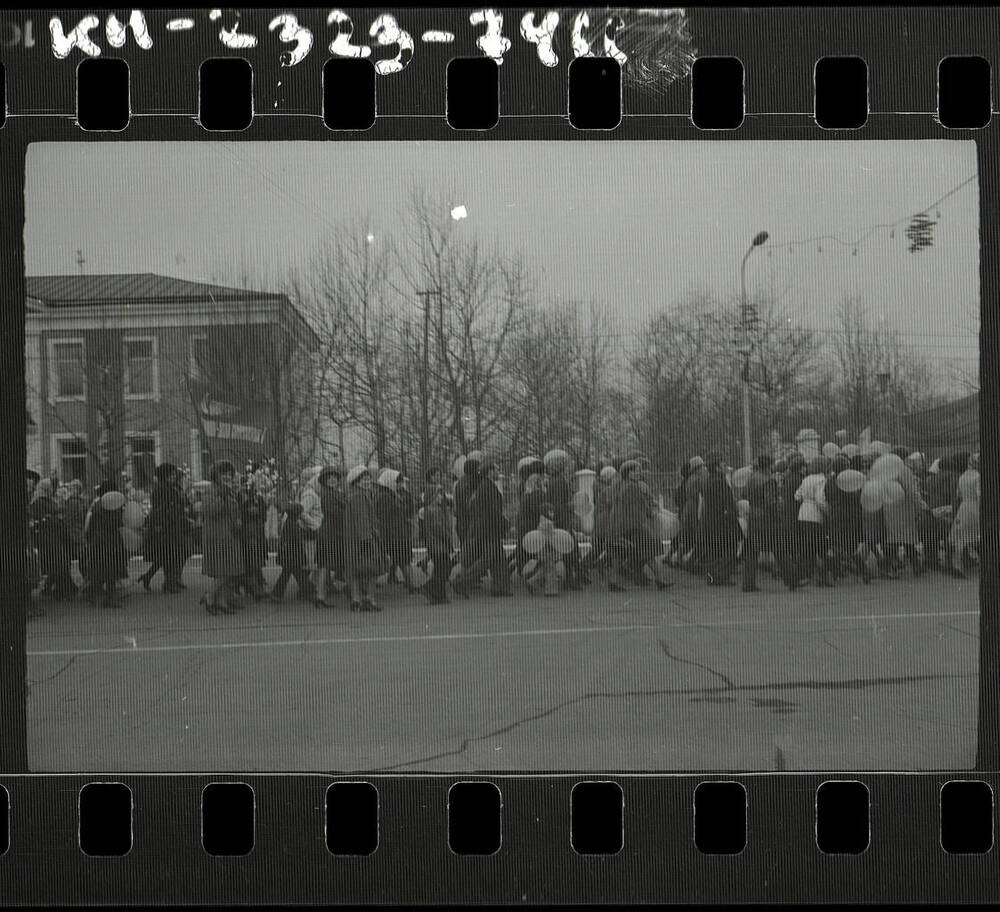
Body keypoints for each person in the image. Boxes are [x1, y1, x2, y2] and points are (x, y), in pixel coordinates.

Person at [453, 459, 512, 598]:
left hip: (486, 529)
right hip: (489, 529)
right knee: (487, 559)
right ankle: (462, 582)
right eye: (497, 469)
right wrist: (505, 524)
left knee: (499, 558)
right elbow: (493, 511)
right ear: (490, 472)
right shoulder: (488, 487)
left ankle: (500, 587)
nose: (499, 471)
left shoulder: (484, 486)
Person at [743, 454, 797, 592]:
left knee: (752, 551)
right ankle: (792, 579)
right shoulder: (769, 480)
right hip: (767, 519)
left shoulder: (752, 478)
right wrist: (777, 517)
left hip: (753, 517)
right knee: (779, 548)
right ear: (769, 465)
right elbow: (770, 502)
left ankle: (748, 582)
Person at [200, 460, 246, 615]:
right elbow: (209, 510)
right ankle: (210, 597)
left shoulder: (230, 490)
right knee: (222, 571)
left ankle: (221, 601)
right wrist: (222, 497)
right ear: (216, 475)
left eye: (229, 473)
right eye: (223, 473)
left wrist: (238, 519)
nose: (227, 476)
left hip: (229, 533)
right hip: (216, 535)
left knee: (230, 569)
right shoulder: (211, 490)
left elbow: (234, 510)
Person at [139, 463, 190, 594]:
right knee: (169, 555)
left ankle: (151, 577)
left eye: (174, 474)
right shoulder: (160, 490)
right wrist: (161, 524)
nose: (174, 476)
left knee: (168, 554)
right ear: (165, 476)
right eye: (171, 474)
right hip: (164, 526)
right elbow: (160, 510)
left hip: (173, 524)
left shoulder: (172, 488)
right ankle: (168, 583)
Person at [543, 449, 586, 589]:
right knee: (570, 550)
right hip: (562, 520)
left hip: (560, 519)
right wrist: (571, 507)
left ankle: (573, 578)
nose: (567, 466)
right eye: (564, 463)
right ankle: (571, 580)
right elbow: (559, 505)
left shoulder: (554, 481)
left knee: (570, 549)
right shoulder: (559, 481)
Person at [882, 449, 929, 577]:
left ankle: (890, 567)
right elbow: (911, 490)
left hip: (888, 508)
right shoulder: (903, 470)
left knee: (894, 537)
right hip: (903, 508)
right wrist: (921, 505)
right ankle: (915, 566)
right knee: (907, 537)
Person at [29, 477, 77, 600]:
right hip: (47, 538)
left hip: (54, 536)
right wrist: (55, 518)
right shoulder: (39, 502)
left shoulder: (48, 501)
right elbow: (42, 519)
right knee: (58, 562)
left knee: (58, 562)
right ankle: (62, 589)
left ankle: (54, 587)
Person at [83, 482, 129, 608]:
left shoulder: (97, 504)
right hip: (110, 540)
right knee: (111, 571)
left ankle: (92, 594)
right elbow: (118, 522)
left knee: (100, 569)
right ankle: (109, 599)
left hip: (97, 540)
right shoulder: (112, 505)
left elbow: (90, 524)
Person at [343, 465, 382, 611]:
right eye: (363, 480)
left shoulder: (354, 495)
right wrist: (366, 541)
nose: (367, 482)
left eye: (368, 479)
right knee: (371, 569)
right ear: (356, 482)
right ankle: (369, 600)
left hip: (353, 540)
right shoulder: (359, 497)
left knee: (356, 570)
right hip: (363, 540)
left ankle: (356, 600)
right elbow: (362, 521)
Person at [699, 454, 742, 586]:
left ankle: (712, 577)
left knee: (714, 549)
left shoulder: (708, 480)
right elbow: (726, 501)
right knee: (729, 548)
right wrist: (732, 515)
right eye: (723, 465)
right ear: (717, 468)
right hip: (723, 520)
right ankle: (722, 576)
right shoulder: (720, 481)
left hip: (711, 519)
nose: (725, 467)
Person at [374, 468, 418, 593]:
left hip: (398, 532)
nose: (400, 484)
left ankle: (411, 584)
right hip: (393, 534)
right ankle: (412, 585)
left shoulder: (391, 494)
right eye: (397, 482)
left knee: (404, 560)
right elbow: (383, 517)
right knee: (404, 560)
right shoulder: (384, 497)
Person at [795, 457, 833, 587]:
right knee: (821, 545)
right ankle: (822, 577)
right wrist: (828, 511)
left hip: (803, 512)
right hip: (815, 515)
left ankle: (807, 574)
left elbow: (797, 495)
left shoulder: (806, 478)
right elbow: (820, 499)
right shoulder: (821, 479)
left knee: (807, 546)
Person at [314, 465, 345, 608]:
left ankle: (322, 594)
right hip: (329, 533)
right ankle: (320, 596)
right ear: (324, 480)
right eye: (329, 477)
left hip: (333, 532)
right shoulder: (327, 494)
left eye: (335, 477)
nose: (333, 480)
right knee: (325, 565)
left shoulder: (334, 492)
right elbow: (334, 512)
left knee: (326, 565)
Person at [948, 452, 980, 579]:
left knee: (961, 537)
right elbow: (980, 495)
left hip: (963, 507)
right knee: (979, 535)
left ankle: (957, 565)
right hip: (974, 507)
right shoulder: (978, 476)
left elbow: (958, 495)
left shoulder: (962, 477)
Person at [420, 484, 454, 604]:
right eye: (438, 494)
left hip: (435, 545)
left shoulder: (431, 509)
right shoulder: (435, 510)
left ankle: (438, 594)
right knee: (444, 567)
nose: (441, 496)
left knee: (441, 568)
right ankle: (430, 587)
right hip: (439, 545)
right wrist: (448, 539)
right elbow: (438, 528)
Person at [270, 501, 310, 602]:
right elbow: (296, 542)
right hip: (292, 555)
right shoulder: (293, 525)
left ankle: (277, 594)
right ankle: (308, 591)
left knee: (289, 574)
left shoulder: (289, 523)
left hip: (288, 554)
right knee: (297, 574)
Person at [239, 471, 269, 599]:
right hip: (248, 534)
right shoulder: (240, 497)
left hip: (257, 533)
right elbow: (240, 515)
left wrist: (257, 510)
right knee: (251, 562)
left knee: (257, 560)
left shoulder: (260, 499)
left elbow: (264, 516)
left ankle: (257, 587)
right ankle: (255, 588)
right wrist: (249, 510)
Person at [514, 458, 547, 576]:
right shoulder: (538, 495)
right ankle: (532, 576)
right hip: (531, 525)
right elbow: (540, 511)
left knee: (524, 550)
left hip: (523, 523)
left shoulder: (526, 494)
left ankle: (521, 570)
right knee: (538, 551)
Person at [298, 466, 324, 601]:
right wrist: (315, 525)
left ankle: (309, 587)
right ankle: (305, 588)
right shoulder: (310, 494)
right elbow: (302, 513)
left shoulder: (315, 494)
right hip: (310, 532)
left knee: (314, 561)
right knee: (310, 561)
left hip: (313, 532)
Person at [453, 450, 482, 548]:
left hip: (461, 520)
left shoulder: (460, 483)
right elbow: (471, 503)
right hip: (469, 521)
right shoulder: (471, 483)